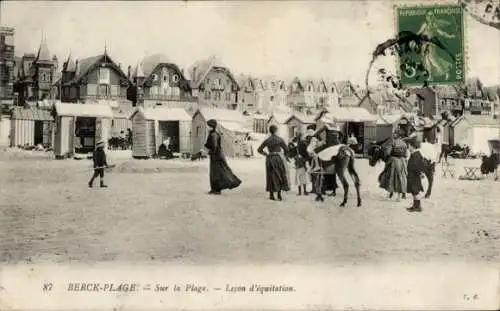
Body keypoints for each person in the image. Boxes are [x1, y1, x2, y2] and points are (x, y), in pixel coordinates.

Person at [204, 119, 242, 195]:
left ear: (211, 126)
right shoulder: (213, 133)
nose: (207, 127)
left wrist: (208, 152)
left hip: (216, 156)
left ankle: (217, 190)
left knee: (216, 173)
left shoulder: (213, 135)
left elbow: (214, 147)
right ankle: (215, 189)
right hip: (217, 155)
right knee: (217, 172)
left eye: (208, 125)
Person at [257, 125, 290, 201]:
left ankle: (271, 195)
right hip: (278, 158)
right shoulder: (280, 139)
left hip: (270, 159)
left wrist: (266, 154)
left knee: (270, 176)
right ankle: (279, 195)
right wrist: (285, 155)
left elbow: (259, 149)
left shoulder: (267, 140)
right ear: (276, 131)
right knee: (280, 175)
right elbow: (286, 149)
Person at [378, 130, 408, 200]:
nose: (393, 134)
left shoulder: (393, 142)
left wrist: (385, 157)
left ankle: (388, 196)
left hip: (393, 161)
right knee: (401, 178)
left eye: (395, 133)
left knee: (390, 177)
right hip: (402, 162)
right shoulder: (404, 143)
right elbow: (406, 154)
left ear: (397, 135)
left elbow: (388, 152)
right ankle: (399, 197)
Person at [406, 135, 426, 212]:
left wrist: (420, 173)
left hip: (415, 176)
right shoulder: (415, 154)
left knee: (415, 191)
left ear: (413, 146)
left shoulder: (416, 155)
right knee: (414, 191)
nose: (408, 148)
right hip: (412, 176)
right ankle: (415, 205)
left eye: (409, 146)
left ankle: (418, 206)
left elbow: (417, 166)